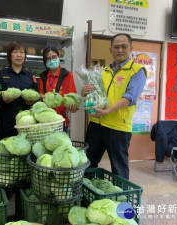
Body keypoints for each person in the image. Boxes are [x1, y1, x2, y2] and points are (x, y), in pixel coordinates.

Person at [81, 33, 147, 180]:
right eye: (116, 47)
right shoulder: (103, 71)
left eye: (124, 46)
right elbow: (96, 94)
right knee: (88, 164)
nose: (120, 50)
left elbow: (130, 98)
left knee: (119, 169)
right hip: (96, 124)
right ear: (110, 50)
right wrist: (84, 92)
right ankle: (87, 195)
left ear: (131, 48)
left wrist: (106, 111)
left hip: (118, 127)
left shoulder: (137, 71)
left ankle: (122, 201)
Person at [0, 41, 38, 140]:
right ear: (9, 55)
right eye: (15, 52)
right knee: (6, 148)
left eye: (21, 52)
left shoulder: (29, 75)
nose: (18, 55)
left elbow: (36, 94)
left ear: (25, 56)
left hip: (26, 120)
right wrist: (3, 99)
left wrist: (32, 101)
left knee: (25, 147)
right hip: (6, 119)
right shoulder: (1, 74)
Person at [38, 47, 78, 132]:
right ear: (45, 61)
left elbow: (72, 97)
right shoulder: (43, 77)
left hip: (62, 121)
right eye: (48, 59)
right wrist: (42, 96)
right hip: (46, 121)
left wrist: (73, 107)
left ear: (59, 57)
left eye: (54, 57)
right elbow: (40, 95)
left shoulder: (68, 75)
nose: (52, 60)